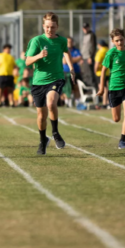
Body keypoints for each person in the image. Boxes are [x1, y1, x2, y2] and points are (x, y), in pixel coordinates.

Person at [25, 12, 76, 155]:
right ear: (43, 26)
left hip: (56, 77)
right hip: (38, 81)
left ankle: (55, 133)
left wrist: (71, 68)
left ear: (57, 27)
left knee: (51, 103)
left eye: (52, 27)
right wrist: (39, 56)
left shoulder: (62, 41)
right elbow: (27, 61)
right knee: (41, 116)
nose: (50, 30)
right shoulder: (37, 41)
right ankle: (43, 140)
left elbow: (66, 52)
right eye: (47, 27)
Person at [97, 28, 125, 149]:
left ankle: (122, 140)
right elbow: (103, 70)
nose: (119, 42)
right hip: (114, 88)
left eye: (121, 40)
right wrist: (101, 88)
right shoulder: (111, 53)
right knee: (116, 119)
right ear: (112, 41)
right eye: (117, 40)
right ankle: (122, 138)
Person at [94, 40, 110, 107]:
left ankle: (104, 103)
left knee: (102, 88)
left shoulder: (100, 52)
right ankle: (107, 101)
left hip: (100, 73)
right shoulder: (108, 51)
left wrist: (95, 71)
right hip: (108, 72)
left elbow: (97, 63)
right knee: (106, 87)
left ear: (99, 45)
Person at [80, 23, 97, 87]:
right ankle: (87, 87)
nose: (85, 29)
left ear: (89, 27)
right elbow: (84, 47)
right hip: (84, 57)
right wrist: (81, 58)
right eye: (84, 28)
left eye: (86, 28)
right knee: (85, 73)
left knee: (90, 73)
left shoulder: (92, 35)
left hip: (89, 57)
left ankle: (93, 87)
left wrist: (91, 57)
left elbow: (93, 46)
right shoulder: (84, 36)